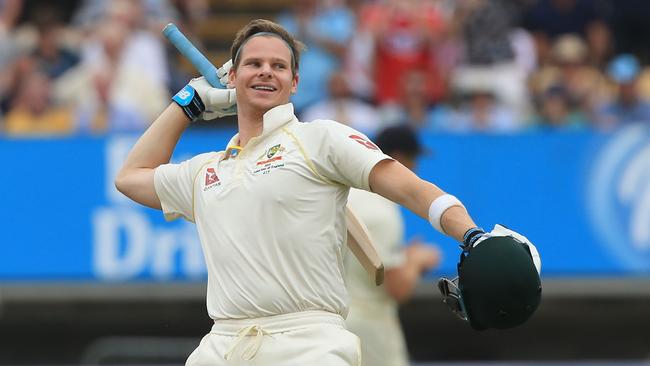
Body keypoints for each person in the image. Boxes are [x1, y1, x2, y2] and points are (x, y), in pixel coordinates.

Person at [115, 19, 539, 365]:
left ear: (295, 82)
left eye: (279, 66)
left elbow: (410, 188)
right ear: (233, 77)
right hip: (222, 345)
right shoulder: (207, 169)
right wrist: (187, 103)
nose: (266, 71)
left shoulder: (320, 140)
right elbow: (130, 176)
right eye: (253, 63)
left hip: (308, 344)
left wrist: (470, 234)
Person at [344, 125, 440, 366]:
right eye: (413, 160)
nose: (415, 169)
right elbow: (397, 288)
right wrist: (416, 261)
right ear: (397, 159)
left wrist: (403, 257)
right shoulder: (382, 211)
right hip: (369, 327)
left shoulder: (347, 195)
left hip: (331, 325)